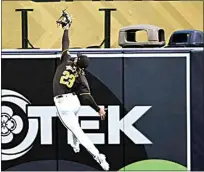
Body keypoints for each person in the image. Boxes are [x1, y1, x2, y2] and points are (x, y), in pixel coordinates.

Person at [53, 11, 110, 171]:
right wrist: (98, 108)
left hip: (63, 103)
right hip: (73, 101)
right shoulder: (81, 76)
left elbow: (65, 44)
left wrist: (66, 28)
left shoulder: (67, 60)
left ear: (77, 59)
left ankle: (99, 157)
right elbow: (86, 97)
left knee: (78, 132)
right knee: (74, 126)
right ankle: (75, 146)